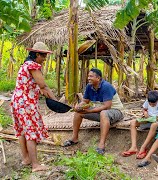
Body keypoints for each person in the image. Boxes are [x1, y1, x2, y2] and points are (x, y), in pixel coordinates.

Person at [11, 42, 57, 172]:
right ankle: (35, 165)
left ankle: (26, 159)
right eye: (43, 56)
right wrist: (55, 101)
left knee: (22, 131)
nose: (44, 59)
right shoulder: (33, 65)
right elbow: (43, 85)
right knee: (31, 132)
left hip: (17, 101)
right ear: (37, 54)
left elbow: (39, 87)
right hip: (26, 102)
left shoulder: (25, 65)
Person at [63, 68, 124, 155]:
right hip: (102, 113)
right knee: (78, 113)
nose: (88, 78)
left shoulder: (106, 87)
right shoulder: (89, 86)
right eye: (88, 76)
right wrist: (79, 106)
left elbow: (107, 106)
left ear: (98, 78)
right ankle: (74, 138)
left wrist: (89, 111)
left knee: (104, 112)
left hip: (116, 112)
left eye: (91, 76)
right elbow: (85, 101)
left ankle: (101, 145)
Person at [121, 90, 158, 159]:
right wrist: (145, 112)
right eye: (150, 103)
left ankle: (143, 147)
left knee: (154, 124)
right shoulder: (147, 101)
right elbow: (144, 109)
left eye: (153, 104)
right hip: (148, 120)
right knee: (133, 122)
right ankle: (133, 147)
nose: (151, 105)